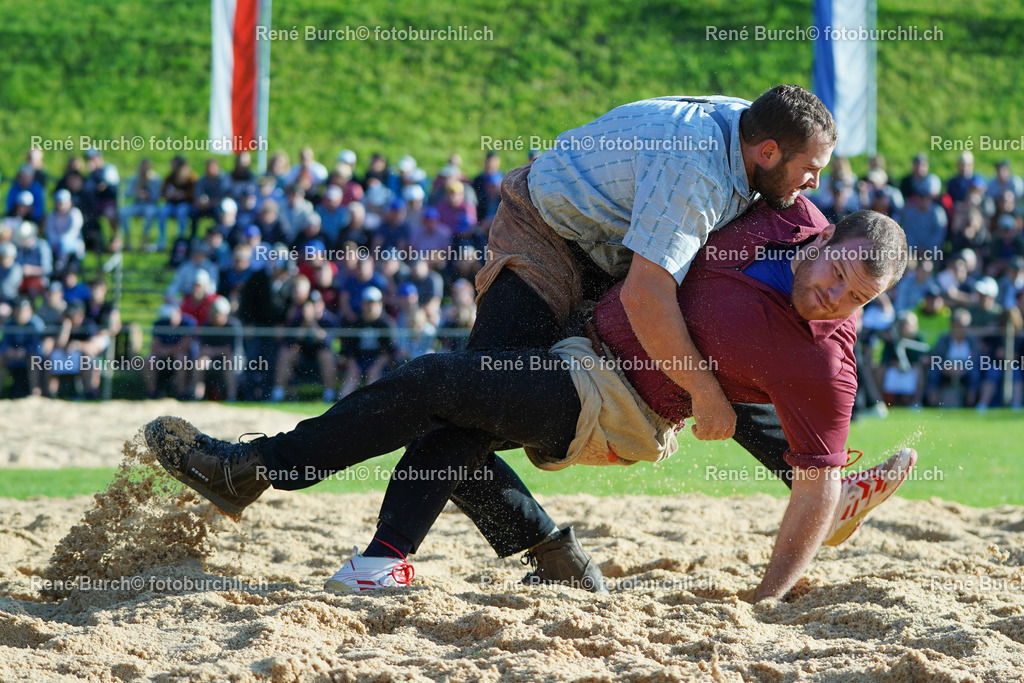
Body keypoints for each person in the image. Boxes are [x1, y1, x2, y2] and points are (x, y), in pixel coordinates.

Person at [145, 201, 915, 603]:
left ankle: (254, 470)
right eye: (837, 272)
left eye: (858, 297)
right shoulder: (783, 216)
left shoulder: (826, 358)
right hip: (579, 341)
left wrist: (769, 594)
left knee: (436, 381)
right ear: (824, 236)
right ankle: (547, 557)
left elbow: (819, 484)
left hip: (614, 404)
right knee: (460, 413)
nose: (833, 297)